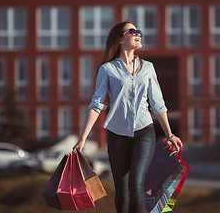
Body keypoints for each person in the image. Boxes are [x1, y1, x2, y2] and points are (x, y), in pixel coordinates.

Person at [73, 20, 183, 213]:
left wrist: (170, 134)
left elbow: (157, 104)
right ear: (120, 39)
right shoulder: (107, 69)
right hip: (117, 134)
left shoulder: (148, 67)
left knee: (136, 181)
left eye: (138, 31)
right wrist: (82, 139)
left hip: (144, 132)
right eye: (131, 31)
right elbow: (97, 105)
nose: (137, 33)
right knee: (122, 191)